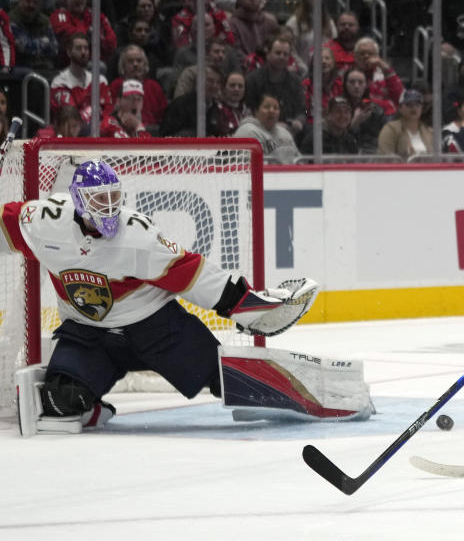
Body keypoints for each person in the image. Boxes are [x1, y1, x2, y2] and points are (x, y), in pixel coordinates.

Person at [2, 159, 318, 433]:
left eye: (113, 197)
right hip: (88, 335)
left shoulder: (135, 235)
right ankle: (97, 410)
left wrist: (241, 304)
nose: (109, 206)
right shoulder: (44, 224)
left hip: (154, 328)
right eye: (99, 199)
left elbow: (190, 272)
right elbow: (5, 227)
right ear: (79, 201)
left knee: (226, 379)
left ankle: (300, 396)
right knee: (61, 401)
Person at [233, 92, 301, 164]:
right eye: (266, 107)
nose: (272, 111)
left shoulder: (285, 133)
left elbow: (299, 159)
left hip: (291, 174)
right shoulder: (247, 131)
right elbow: (251, 165)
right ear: (256, 111)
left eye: (276, 108)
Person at [376, 88, 434, 158]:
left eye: (417, 104)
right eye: (409, 104)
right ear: (400, 108)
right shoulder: (390, 130)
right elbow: (385, 158)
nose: (414, 108)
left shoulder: (429, 131)